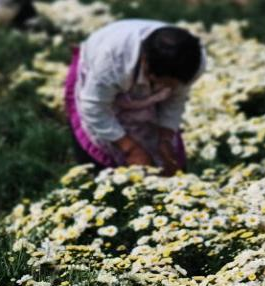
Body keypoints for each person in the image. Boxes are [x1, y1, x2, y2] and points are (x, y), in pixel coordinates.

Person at [65, 20, 205, 175]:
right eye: (162, 82)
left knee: (164, 158)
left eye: (172, 85)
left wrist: (165, 138)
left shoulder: (192, 63)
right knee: (103, 161)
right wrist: (130, 148)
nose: (167, 88)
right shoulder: (111, 60)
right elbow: (94, 108)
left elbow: (175, 100)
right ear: (145, 62)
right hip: (105, 68)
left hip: (145, 72)